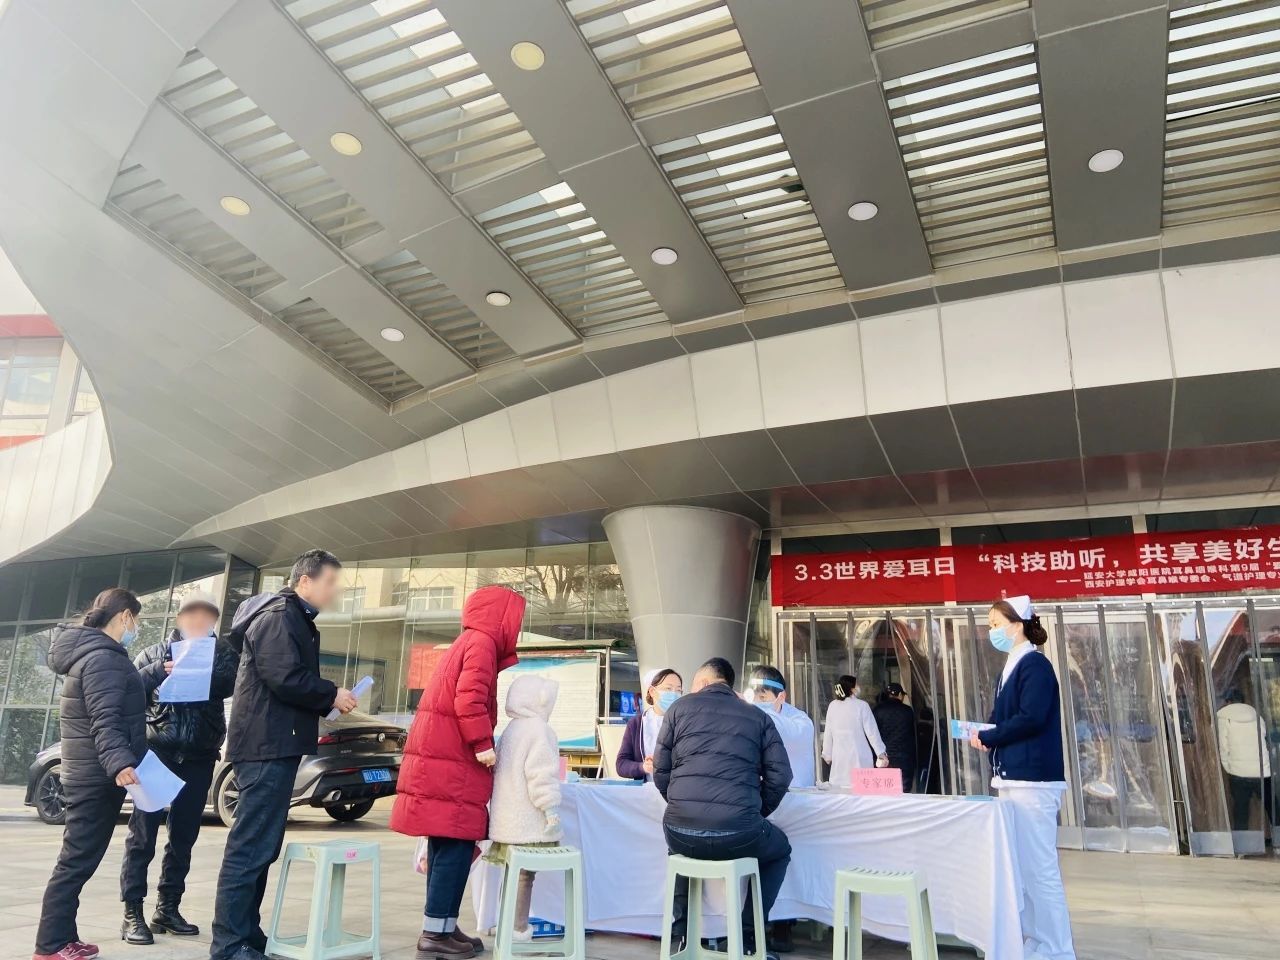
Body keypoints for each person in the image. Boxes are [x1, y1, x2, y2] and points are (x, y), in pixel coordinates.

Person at [210, 551, 358, 960]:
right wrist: (331, 693)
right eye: (330, 583)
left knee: (262, 846)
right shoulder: (280, 616)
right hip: (265, 745)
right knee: (250, 846)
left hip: (275, 743)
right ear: (305, 580)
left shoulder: (294, 617)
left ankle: (246, 934)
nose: (334, 592)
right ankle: (229, 944)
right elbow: (284, 677)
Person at [391, 585, 526, 960]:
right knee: (454, 844)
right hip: (453, 761)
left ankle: (443, 926)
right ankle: (436, 934)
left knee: (446, 844)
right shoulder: (482, 643)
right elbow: (468, 698)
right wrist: (483, 744)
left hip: (442, 757)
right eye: (515, 619)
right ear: (501, 618)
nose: (516, 628)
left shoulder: (469, 641)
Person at [120, 590, 238, 944]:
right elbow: (128, 695)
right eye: (191, 614)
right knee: (142, 837)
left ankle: (168, 907)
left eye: (206, 616)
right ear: (179, 618)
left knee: (184, 837)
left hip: (200, 757)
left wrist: (204, 659)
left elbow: (232, 684)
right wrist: (161, 671)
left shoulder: (224, 655)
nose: (198, 621)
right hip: (157, 755)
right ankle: (132, 912)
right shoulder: (152, 654)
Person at [654, 657, 792, 958]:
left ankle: (682, 936)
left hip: (679, 830)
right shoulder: (757, 716)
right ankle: (748, 937)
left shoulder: (677, 710)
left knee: (678, 849)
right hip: (740, 833)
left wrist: (681, 804)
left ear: (705, 682)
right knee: (780, 850)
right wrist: (756, 812)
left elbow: (660, 772)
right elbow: (781, 776)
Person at [35, 588, 147, 960]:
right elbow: (104, 719)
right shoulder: (103, 658)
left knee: (78, 859)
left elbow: (110, 707)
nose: (136, 627)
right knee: (75, 862)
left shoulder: (94, 655)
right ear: (125, 616)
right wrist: (120, 763)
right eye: (136, 620)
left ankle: (64, 937)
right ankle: (50, 946)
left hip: (88, 773)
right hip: (95, 777)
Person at [969, 596, 1075, 960]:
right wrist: (984, 733)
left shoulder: (1035, 665)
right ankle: (1035, 942)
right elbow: (1002, 718)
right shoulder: (1012, 666)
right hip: (1013, 779)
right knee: (1024, 869)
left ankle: (1058, 950)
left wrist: (992, 735)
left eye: (996, 624)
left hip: (1033, 781)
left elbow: (1031, 717)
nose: (992, 631)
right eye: (990, 625)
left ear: (1017, 625)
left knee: (1040, 869)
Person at [483, 675, 563, 941]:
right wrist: (550, 809)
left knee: (511, 872)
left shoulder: (511, 730)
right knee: (525, 876)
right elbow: (541, 775)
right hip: (529, 820)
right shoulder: (540, 730)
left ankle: (506, 923)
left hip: (507, 819)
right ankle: (517, 929)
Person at [745, 666, 813, 954]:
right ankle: (754, 927)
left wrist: (749, 710)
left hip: (793, 806)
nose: (757, 701)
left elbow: (782, 731)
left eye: (763, 696)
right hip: (760, 804)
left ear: (780, 697)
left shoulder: (800, 721)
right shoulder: (750, 717)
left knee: (788, 866)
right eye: (754, 695)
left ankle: (784, 925)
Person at [1216, 689, 1273, 834]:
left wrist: (1229, 768)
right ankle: (1278, 838)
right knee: (1273, 806)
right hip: (1262, 770)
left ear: (1228, 702)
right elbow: (1264, 738)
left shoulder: (1224, 717)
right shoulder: (1256, 715)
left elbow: (1223, 747)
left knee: (1241, 811)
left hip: (1238, 772)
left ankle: (1243, 843)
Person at [616, 667, 682, 781]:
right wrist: (643, 767)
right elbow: (621, 764)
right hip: (647, 789)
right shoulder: (637, 724)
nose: (674, 694)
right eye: (668, 688)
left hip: (678, 789)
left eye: (678, 690)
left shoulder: (685, 722)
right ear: (652, 691)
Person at [821, 675, 888, 787]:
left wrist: (827, 754)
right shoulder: (862, 706)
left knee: (840, 790)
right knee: (861, 788)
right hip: (859, 755)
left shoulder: (833, 706)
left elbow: (828, 732)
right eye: (856, 685)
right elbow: (872, 732)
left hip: (840, 757)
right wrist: (880, 753)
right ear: (851, 688)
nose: (858, 687)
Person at [872, 682, 918, 791]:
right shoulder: (907, 711)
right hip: (904, 758)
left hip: (883, 757)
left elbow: (873, 734)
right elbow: (912, 734)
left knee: (883, 790)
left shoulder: (877, 710)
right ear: (900, 695)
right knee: (903, 790)